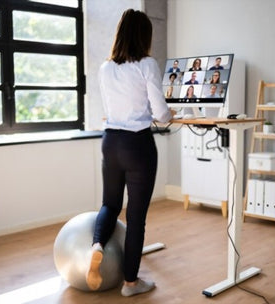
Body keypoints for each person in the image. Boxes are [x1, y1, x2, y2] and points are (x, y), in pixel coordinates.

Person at [87, 9, 174, 297]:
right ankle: (131, 284)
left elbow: (112, 107)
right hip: (138, 146)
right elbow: (161, 114)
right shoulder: (147, 64)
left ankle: (97, 246)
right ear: (144, 36)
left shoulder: (105, 68)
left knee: (109, 204)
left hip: (110, 141)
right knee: (136, 217)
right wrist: (169, 113)